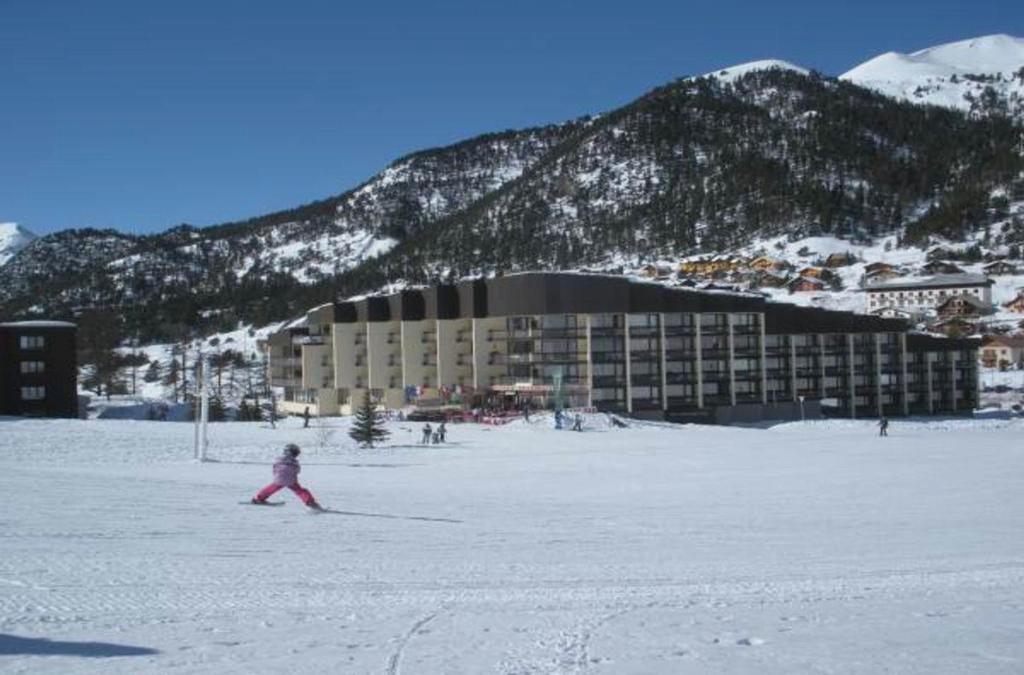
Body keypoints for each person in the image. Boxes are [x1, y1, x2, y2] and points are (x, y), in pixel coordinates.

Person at [252, 444, 321, 509]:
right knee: (300, 491)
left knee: (270, 489)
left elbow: (274, 468)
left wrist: (276, 475)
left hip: (278, 479)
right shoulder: (294, 462)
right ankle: (310, 502)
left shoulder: (279, 459)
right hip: (291, 480)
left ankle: (259, 498)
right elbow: (297, 471)